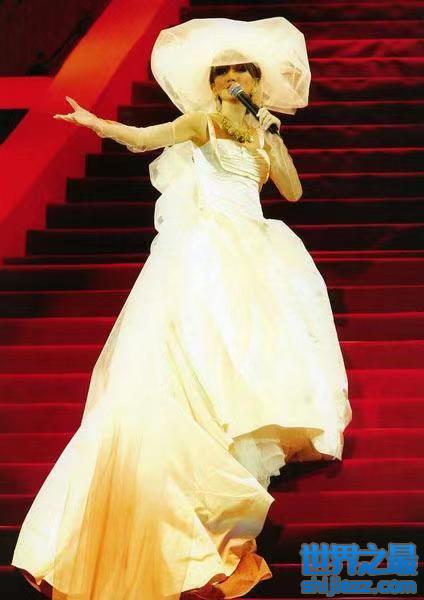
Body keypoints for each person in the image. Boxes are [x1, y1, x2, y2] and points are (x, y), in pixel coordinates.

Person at [11, 16, 352, 600]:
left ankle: (240, 437)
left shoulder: (263, 134)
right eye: (224, 72)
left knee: (253, 345)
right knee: (204, 344)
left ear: (258, 82)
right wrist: (96, 124)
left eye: (244, 71)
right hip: (209, 246)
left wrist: (272, 137)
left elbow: (292, 192)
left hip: (256, 245)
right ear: (213, 83)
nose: (234, 79)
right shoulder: (203, 124)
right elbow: (147, 138)